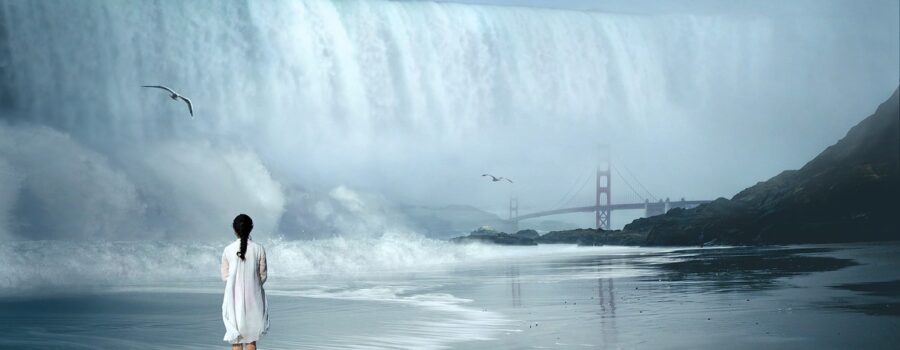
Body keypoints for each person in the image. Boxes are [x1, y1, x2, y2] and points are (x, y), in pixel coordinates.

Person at [221, 214, 269, 349]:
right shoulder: (259, 248)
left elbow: (225, 276)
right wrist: (253, 284)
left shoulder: (228, 250)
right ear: (251, 228)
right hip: (254, 297)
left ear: (234, 229)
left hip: (233, 298)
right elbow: (263, 275)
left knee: (236, 340)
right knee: (251, 340)